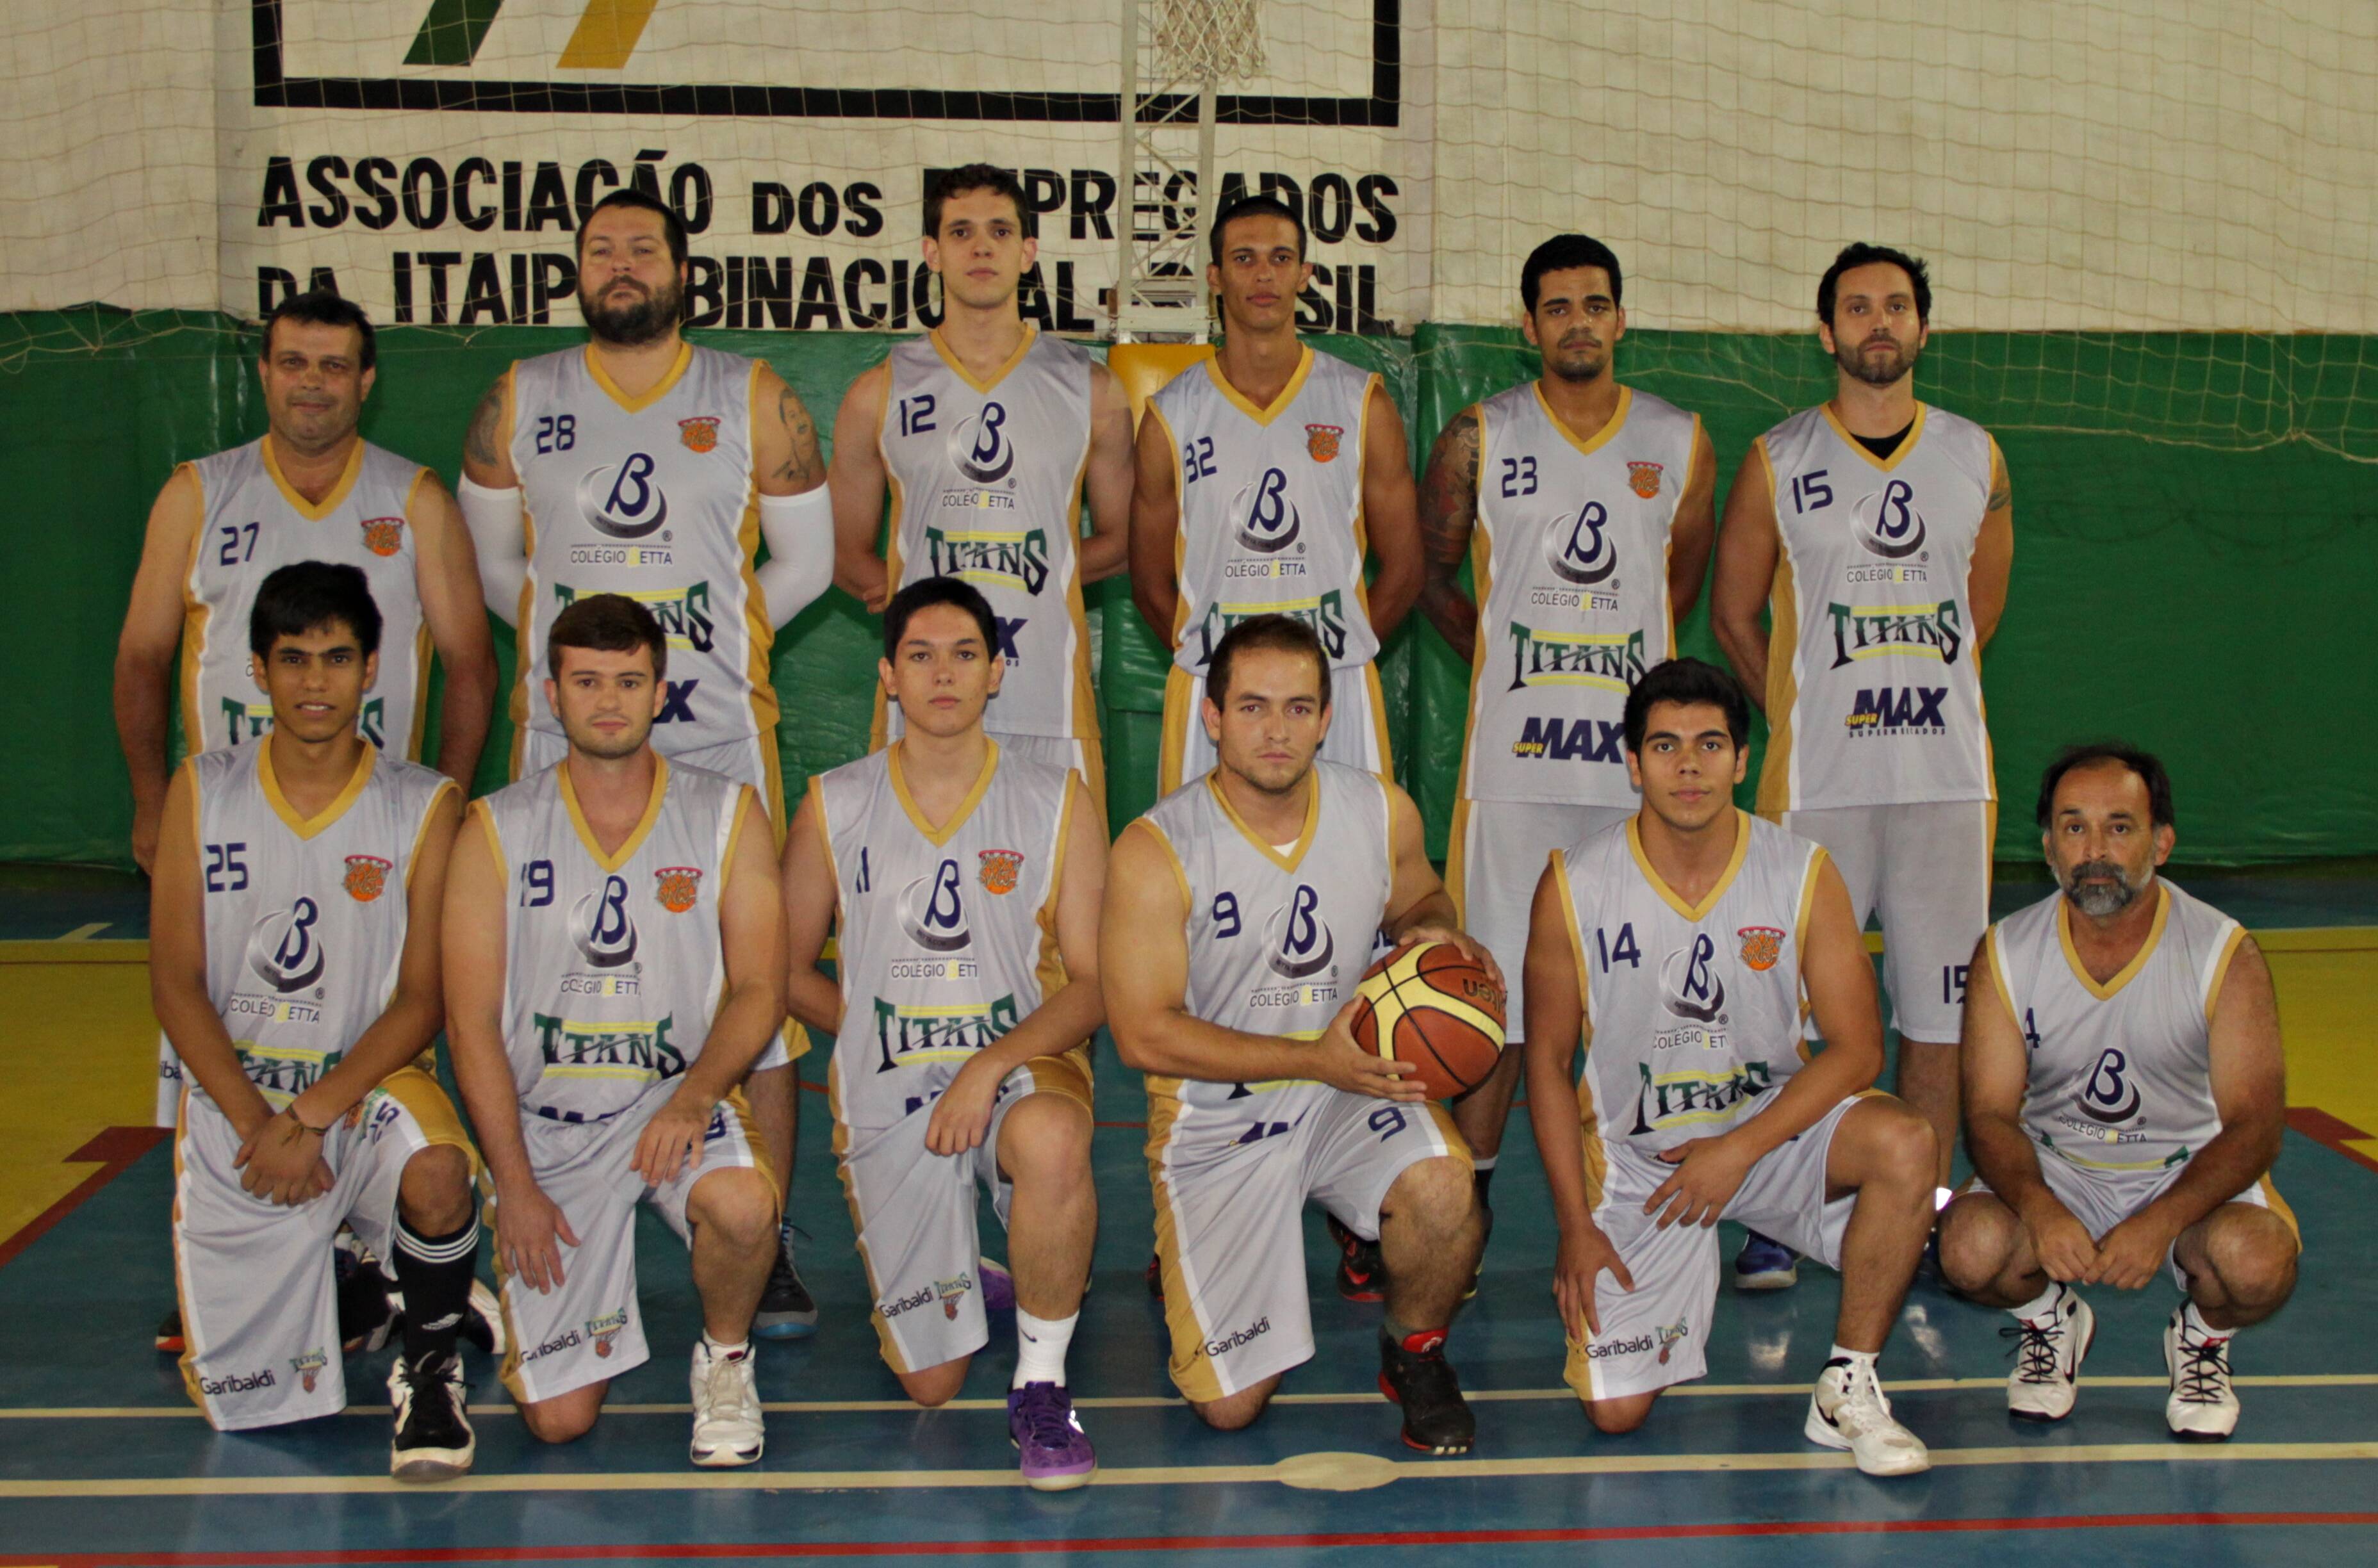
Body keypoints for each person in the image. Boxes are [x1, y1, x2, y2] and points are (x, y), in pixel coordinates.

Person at [458, 188, 833, 1337]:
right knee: (536, 985)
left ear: (683, 267)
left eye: (644, 247)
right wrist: (593, 681)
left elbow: (808, 566)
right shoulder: (518, 400)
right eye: (600, 248)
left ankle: (760, 1232)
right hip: (564, 739)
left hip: (716, 728)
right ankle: (539, 1195)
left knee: (755, 1001)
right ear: (577, 269)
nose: (621, 264)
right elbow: (499, 579)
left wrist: (685, 660)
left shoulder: (753, 396)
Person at [1522, 657, 1938, 1477]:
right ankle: (1683, 1276)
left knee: (1906, 1142)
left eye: (1710, 745)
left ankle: (1847, 1381)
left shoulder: (1801, 872)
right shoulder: (1572, 884)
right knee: (1614, 1414)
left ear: (1742, 762)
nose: (1688, 766)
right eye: (1665, 745)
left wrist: (1737, 1149)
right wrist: (1575, 1224)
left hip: (1768, 1135)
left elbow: (1858, 1050)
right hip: (1647, 1167)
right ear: (1632, 761)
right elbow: (1543, 1060)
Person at [1103, 613, 1488, 1453]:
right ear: (1212, 717)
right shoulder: (1156, 849)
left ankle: (1415, 1351)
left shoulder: (1377, 811)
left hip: (1347, 1091)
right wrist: (1313, 1059)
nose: (1276, 730)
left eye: (1298, 708)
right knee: (1231, 1407)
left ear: (1325, 717)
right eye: (1252, 707)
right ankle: (1199, 1250)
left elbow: (1421, 899)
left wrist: (1432, 933)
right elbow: (1143, 1036)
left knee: (1446, 1186)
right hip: (1220, 1120)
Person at [114, 288, 496, 1129]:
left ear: (366, 381)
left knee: (375, 1055)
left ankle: (368, 1222)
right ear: (263, 373)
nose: (311, 384)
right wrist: (150, 802)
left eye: (332, 366)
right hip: (228, 830)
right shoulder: (197, 495)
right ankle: (225, 1179)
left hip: (377, 834)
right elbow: (141, 658)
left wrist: (454, 802)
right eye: (293, 363)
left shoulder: (416, 500)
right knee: (223, 1034)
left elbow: (472, 665)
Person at [1709, 242, 2015, 1286]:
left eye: (1895, 306)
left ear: (1923, 328)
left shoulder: (1976, 455)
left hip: (1943, 784)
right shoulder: (1776, 457)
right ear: (1825, 329)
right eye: (1856, 308)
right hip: (1820, 785)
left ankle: (1918, 1206)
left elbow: (1981, 614)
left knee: (1935, 1016)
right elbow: (1731, 611)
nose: (1876, 323)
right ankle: (1780, 1204)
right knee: (1787, 1012)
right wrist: (1797, 706)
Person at [1414, 233, 1716, 1290]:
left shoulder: (1678, 441)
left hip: (1634, 782)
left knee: (1642, 993)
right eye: (1556, 307)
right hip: (1514, 768)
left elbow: (1675, 579)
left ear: (1620, 318)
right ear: (1526, 322)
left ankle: (1640, 1183)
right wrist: (1504, 664)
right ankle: (1476, 1186)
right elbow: (1433, 576)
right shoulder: (1481, 436)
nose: (1577, 322)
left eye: (1595, 304)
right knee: (1492, 996)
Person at [151, 562, 480, 1479]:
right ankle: (366, 1279)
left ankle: (431, 1364)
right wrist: (263, 1123)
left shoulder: (423, 804)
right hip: (239, 1106)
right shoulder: (203, 790)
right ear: (256, 671)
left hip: (364, 1091)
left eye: (337, 659)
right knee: (251, 1415)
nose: (314, 683)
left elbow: (423, 1002)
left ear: (372, 668)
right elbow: (176, 984)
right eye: (292, 660)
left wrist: (310, 1116)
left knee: (440, 1170)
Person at [441, 594, 787, 1466]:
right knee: (561, 1422)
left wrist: (698, 1095)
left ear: (660, 691)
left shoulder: (724, 814)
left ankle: (727, 1361)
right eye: (586, 680)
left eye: (629, 680)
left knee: (746, 1206)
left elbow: (759, 988)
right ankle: (490, 1290)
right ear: (550, 694)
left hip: (673, 1105)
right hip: (549, 1132)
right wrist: (514, 1184)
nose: (607, 700)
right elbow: (471, 1024)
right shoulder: (495, 829)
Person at [782, 576, 1108, 1489]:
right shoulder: (833, 804)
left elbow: (1094, 986)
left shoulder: (1056, 799)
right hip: (890, 1089)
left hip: (1016, 1074)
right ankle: (983, 1265)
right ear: (887, 676)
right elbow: (778, 969)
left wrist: (986, 1063)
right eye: (920, 656)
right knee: (929, 1384)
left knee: (1047, 1137)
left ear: (998, 671)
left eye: (966, 655)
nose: (943, 674)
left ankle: (1042, 1385)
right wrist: (874, 1025)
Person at [1938, 744, 2299, 1441]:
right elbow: (1986, 1113)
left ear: (2160, 842)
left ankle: (2202, 1337)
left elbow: (2255, 1125)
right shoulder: (2006, 951)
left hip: (2183, 1170)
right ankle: (2050, 1318)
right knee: (1969, 1251)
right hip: (2059, 1167)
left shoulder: (2223, 953)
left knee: (2258, 1266)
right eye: (2073, 828)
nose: (2094, 850)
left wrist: (2160, 1222)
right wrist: (2040, 1208)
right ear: (2046, 846)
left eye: (2119, 827)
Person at [827, 165, 1135, 803]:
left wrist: (1040, 576)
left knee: (1063, 891)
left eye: (1000, 231)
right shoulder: (878, 391)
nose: (980, 246)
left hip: (1048, 698)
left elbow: (1128, 539)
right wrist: (921, 601)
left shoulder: (1090, 388)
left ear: (1027, 253)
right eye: (960, 231)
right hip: (921, 704)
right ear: (932, 253)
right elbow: (840, 548)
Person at [1131, 196, 1422, 793]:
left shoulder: (1360, 402)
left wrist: (1338, 656)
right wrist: (1216, 670)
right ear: (1215, 276)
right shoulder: (1171, 415)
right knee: (1203, 874)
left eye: (1280, 258)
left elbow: (1407, 568)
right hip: (1219, 697)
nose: (1263, 274)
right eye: (1244, 258)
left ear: (1303, 275)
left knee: (1354, 869)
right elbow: (1149, 580)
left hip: (1332, 692)